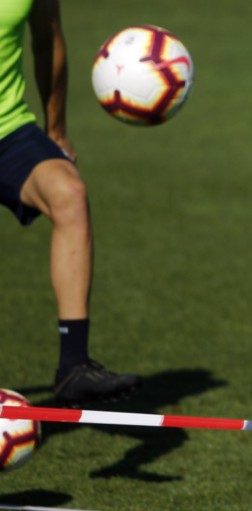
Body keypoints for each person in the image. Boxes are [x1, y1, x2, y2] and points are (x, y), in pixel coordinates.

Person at [0, 0, 141, 406]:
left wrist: (56, 130)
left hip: (8, 130)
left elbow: (48, 39)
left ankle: (74, 367)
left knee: (69, 193)